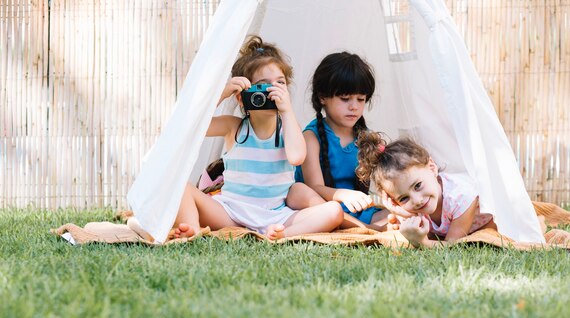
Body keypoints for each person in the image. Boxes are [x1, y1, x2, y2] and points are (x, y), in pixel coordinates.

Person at [172, 36, 343, 240]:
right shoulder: (233, 126)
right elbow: (192, 126)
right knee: (179, 185)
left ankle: (282, 235)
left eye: (279, 84)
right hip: (231, 213)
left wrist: (287, 110)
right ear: (242, 96)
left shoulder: (289, 127)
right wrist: (223, 92)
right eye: (263, 86)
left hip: (276, 216)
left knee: (334, 211)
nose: (272, 92)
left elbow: (297, 158)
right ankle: (193, 232)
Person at [293, 52, 389, 231]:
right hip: (321, 207)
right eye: (345, 99)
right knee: (304, 195)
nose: (354, 106)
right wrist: (342, 195)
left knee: (400, 213)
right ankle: (366, 229)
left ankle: (363, 227)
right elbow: (314, 187)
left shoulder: (366, 137)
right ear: (323, 97)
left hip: (359, 212)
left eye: (360, 99)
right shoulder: (311, 137)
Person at [356, 131, 497, 248]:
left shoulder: (462, 196)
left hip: (483, 226)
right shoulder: (413, 205)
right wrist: (401, 213)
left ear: (431, 168)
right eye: (403, 198)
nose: (417, 200)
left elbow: (453, 247)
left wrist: (421, 242)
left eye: (417, 185)